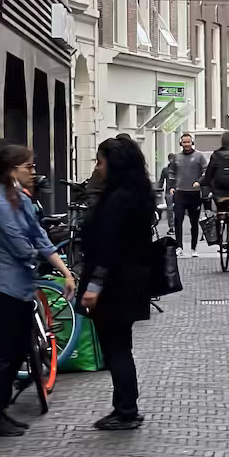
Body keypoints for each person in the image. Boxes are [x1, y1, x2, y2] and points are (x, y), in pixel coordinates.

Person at [0, 144, 75, 438]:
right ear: (11, 170)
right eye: (28, 167)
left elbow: (38, 236)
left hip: (20, 285)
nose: (33, 172)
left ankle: (0, 409)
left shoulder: (18, 198)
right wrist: (40, 259)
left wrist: (64, 270)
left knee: (17, 349)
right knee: (5, 352)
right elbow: (21, 244)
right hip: (4, 286)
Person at [80, 138, 157, 431]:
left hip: (114, 285)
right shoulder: (138, 195)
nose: (97, 168)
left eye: (99, 162)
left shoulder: (116, 200)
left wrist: (94, 286)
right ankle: (126, 406)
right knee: (121, 345)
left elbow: (108, 248)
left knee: (116, 348)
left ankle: (125, 409)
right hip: (132, 280)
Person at [172, 132, 208, 254]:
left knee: (194, 221)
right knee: (178, 220)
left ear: (192, 143)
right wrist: (171, 187)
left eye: (188, 142)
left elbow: (205, 171)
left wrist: (199, 182)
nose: (186, 144)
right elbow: (172, 173)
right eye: (184, 142)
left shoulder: (199, 156)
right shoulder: (176, 157)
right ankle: (179, 246)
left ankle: (194, 247)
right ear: (180, 143)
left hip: (194, 193)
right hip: (180, 193)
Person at [157, 152, 177, 231]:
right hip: (171, 192)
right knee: (171, 209)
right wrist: (159, 189)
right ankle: (172, 226)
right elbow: (161, 181)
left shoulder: (175, 170)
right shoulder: (166, 170)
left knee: (173, 209)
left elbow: (161, 182)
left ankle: (174, 226)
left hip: (175, 191)